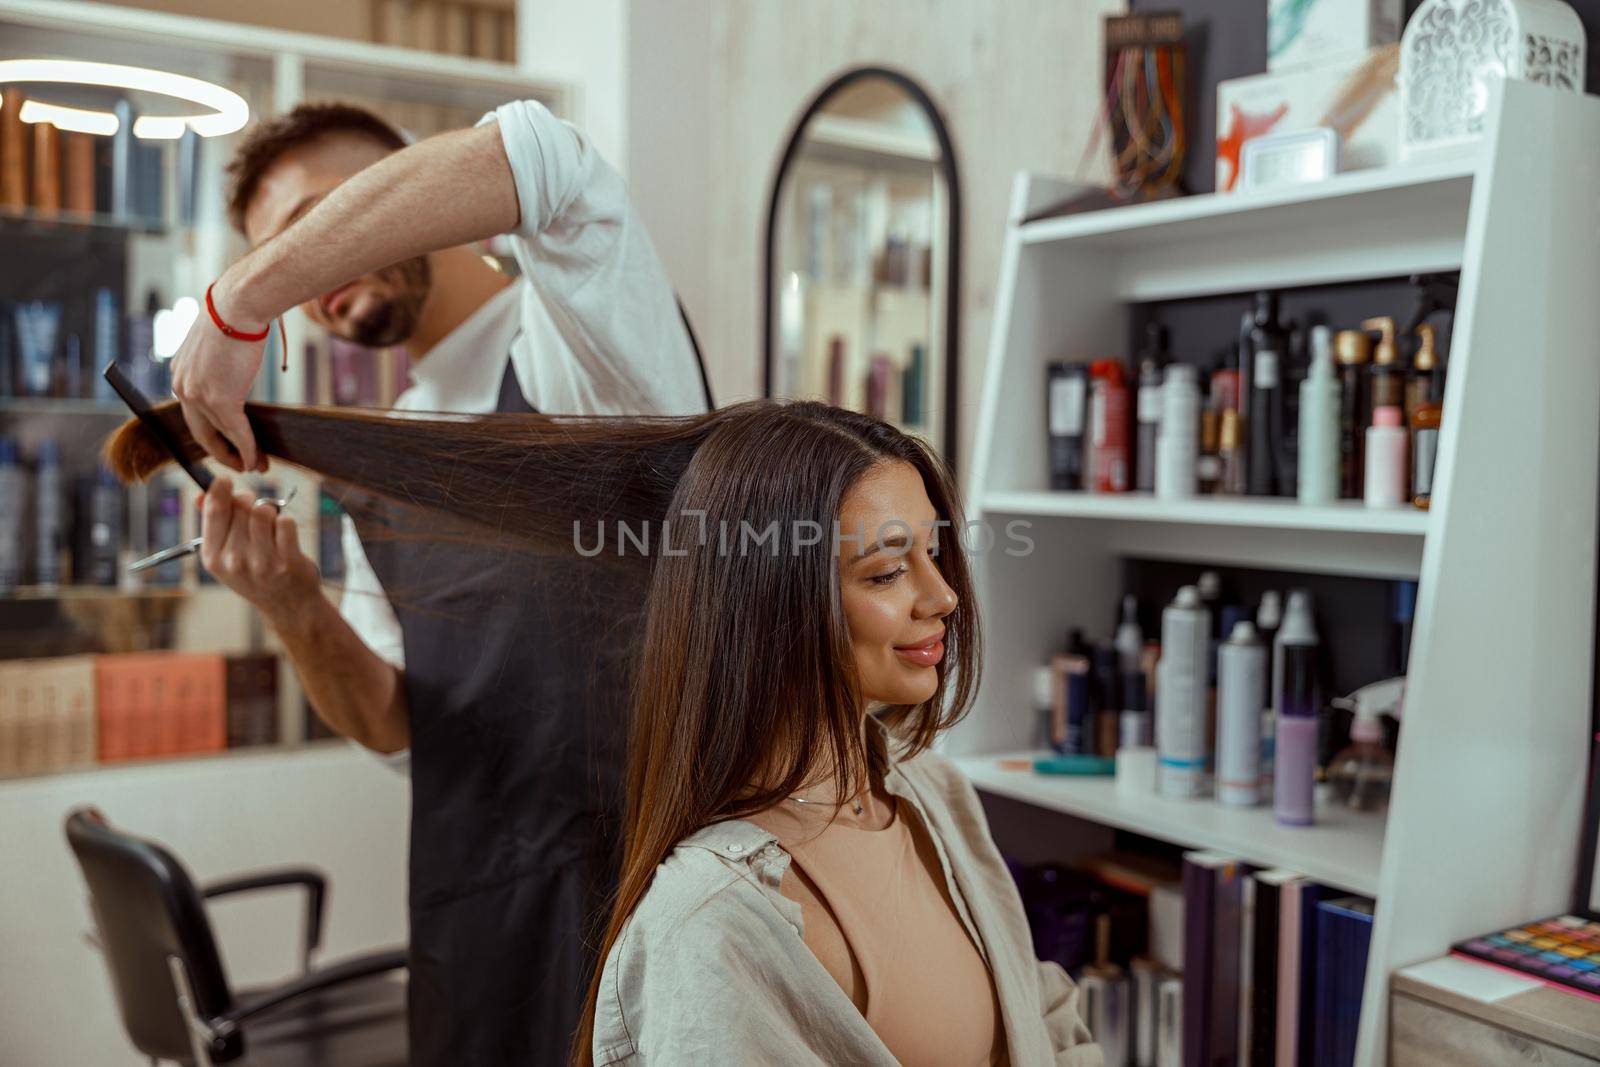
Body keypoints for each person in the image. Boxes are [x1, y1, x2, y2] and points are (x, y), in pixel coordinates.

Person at [108, 398, 1102, 1067]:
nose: (941, 599)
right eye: (886, 573)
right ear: (765, 601)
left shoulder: (932, 793)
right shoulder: (715, 925)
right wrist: (242, 313)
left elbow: (1039, 1009)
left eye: (933, 555)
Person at [164, 100, 709, 1064]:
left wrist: (236, 299)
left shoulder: (578, 342)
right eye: (281, 252)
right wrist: (291, 601)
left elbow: (544, 159)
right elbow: (394, 720)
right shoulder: (386, 459)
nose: (314, 278)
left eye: (321, 222)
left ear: (399, 188)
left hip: (647, 915)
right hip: (477, 935)